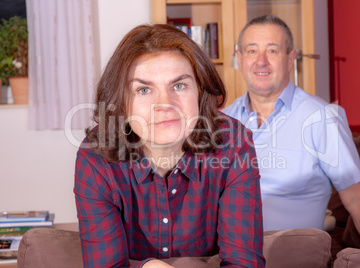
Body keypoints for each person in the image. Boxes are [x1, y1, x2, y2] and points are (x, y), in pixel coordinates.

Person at [74, 24, 265, 268]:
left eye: (179, 85)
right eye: (143, 89)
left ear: (200, 92)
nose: (165, 104)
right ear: (121, 103)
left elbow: (244, 263)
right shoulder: (96, 158)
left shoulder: (234, 145)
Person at [222, 14, 360, 250]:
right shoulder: (222, 121)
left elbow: (356, 196)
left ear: (291, 59)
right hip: (229, 256)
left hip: (291, 257)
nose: (260, 61)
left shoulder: (321, 117)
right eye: (251, 51)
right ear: (239, 58)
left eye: (272, 51)